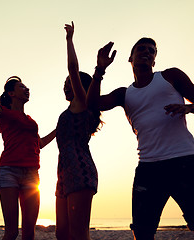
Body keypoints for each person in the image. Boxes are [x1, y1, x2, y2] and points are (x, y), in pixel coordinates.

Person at [87, 37, 194, 239]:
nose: (147, 52)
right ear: (131, 58)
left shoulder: (171, 76)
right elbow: (92, 104)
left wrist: (188, 107)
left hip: (185, 162)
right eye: (141, 49)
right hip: (148, 168)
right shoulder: (124, 94)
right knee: (142, 232)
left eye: (152, 51)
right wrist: (99, 71)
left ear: (154, 60)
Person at [0, 56, 56, 240]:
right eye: (22, 87)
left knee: (29, 232)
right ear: (11, 93)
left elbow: (41, 144)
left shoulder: (31, 121)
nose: (27, 89)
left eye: (26, 87)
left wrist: (59, 128)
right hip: (8, 171)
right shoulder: (2, 112)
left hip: (32, 174)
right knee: (12, 232)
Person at [55, 22, 112, 240]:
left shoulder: (83, 103)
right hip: (63, 173)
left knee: (78, 234)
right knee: (62, 234)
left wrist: (69, 40)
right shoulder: (70, 109)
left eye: (70, 82)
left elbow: (72, 68)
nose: (66, 85)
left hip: (80, 170)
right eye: (65, 83)